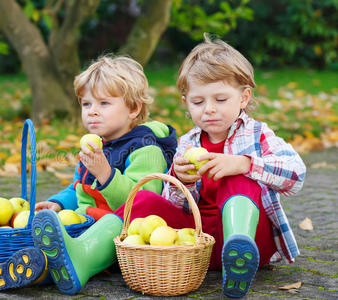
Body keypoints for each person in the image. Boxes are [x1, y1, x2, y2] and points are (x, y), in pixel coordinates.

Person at [114, 34, 306, 298]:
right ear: (186, 103)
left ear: (244, 98)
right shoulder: (187, 144)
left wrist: (244, 163)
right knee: (144, 199)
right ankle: (87, 249)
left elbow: (297, 174)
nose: (209, 110)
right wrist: (182, 180)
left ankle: (237, 257)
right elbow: (176, 205)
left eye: (220, 99)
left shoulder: (257, 135)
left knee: (237, 177)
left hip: (250, 242)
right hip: (198, 242)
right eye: (198, 102)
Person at [0, 55, 177, 293]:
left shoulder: (146, 148)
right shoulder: (97, 145)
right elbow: (79, 187)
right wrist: (57, 203)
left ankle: (71, 262)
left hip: (122, 236)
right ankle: (38, 267)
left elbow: (141, 205)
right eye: (87, 104)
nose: (92, 112)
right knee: (33, 229)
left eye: (104, 104)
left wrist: (106, 174)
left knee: (91, 234)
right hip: (85, 223)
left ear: (133, 108)